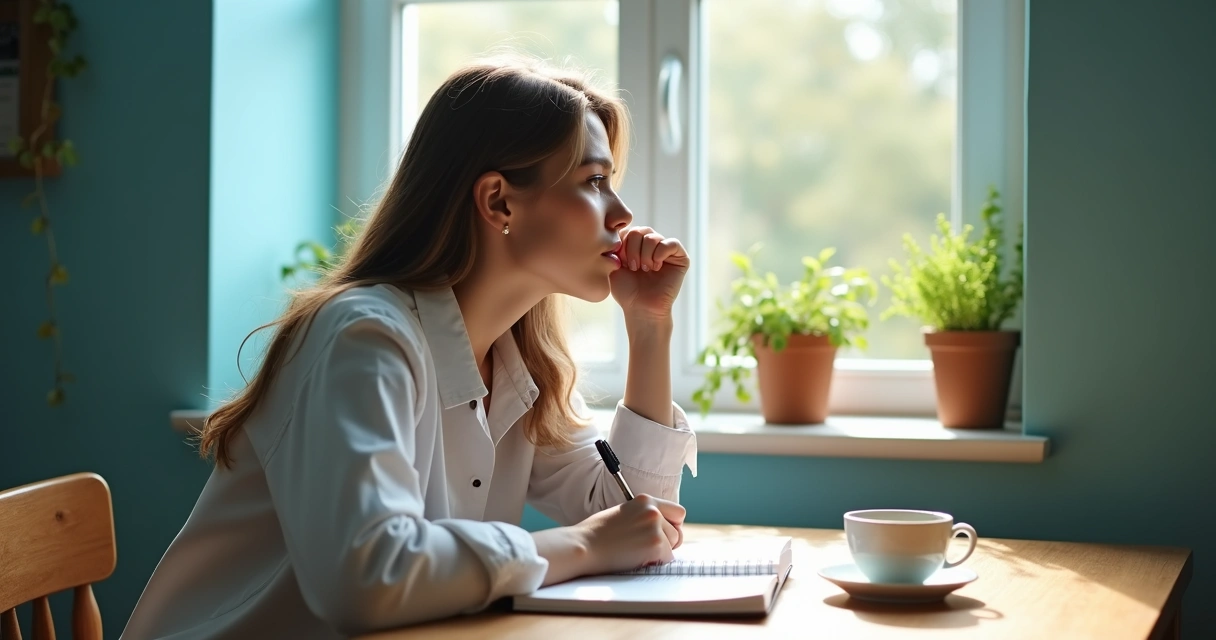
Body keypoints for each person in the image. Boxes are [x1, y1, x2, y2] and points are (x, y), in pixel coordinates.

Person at [120, 56, 698, 639]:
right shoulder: (363, 338)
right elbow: (366, 577)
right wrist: (580, 545)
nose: (623, 215)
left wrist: (650, 327)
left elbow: (638, 525)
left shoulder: (515, 363)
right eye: (594, 182)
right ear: (499, 201)